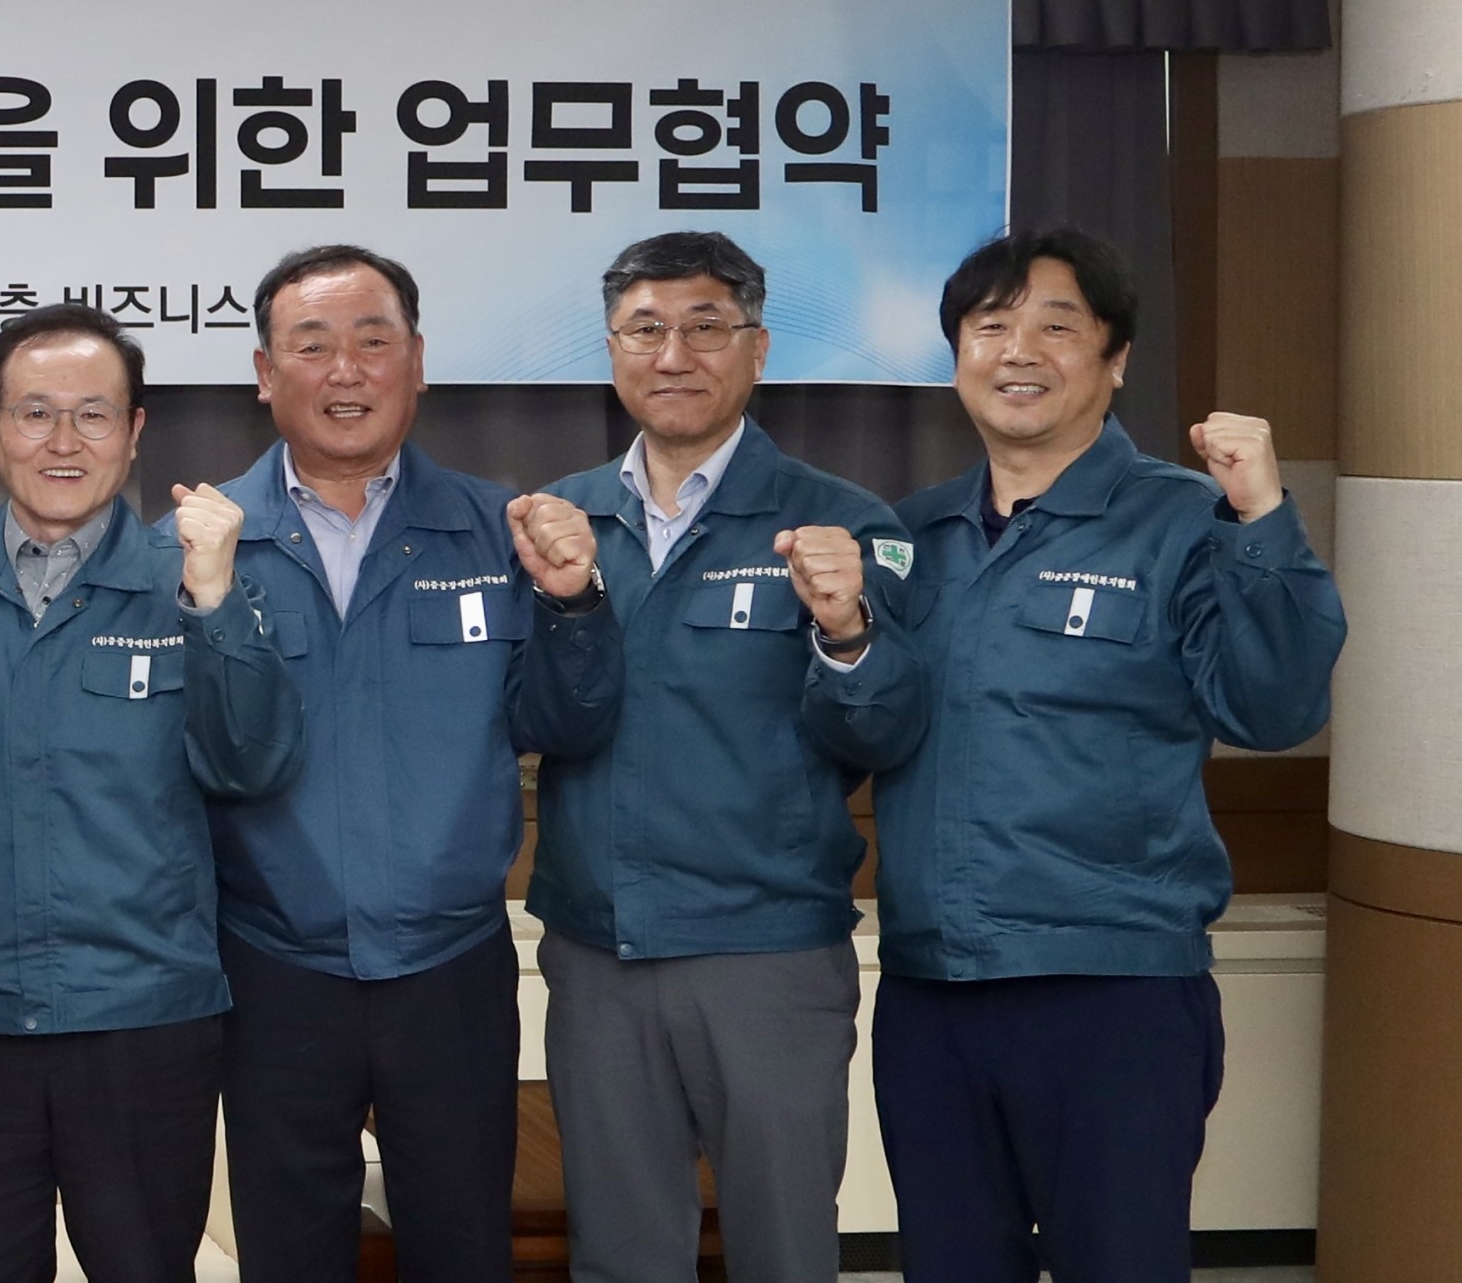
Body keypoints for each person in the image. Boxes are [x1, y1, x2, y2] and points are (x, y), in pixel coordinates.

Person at [867, 228, 1342, 1283]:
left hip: (1112, 989)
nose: (1018, 350)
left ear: (1116, 357)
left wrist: (1263, 515)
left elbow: (1272, 707)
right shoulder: (909, 536)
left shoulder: (1188, 518)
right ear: (957, 356)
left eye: (1057, 326)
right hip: (933, 988)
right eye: (990, 325)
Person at [204, 245, 621, 1283]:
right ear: (263, 372)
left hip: (450, 968)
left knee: (463, 1247)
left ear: (419, 361)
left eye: (372, 340)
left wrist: (574, 604)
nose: (345, 370)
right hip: (271, 968)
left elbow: (567, 725)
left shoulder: (498, 529)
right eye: (312, 345)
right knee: (287, 1253)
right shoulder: (202, 543)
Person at [527, 233, 928, 1283]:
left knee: (783, 1248)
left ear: (758, 347)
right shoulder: (558, 518)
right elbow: (535, 720)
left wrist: (846, 630)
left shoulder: (839, 521)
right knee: (618, 1253)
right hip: (600, 951)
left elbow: (883, 736)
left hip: (767, 954)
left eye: (705, 328)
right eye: (645, 330)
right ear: (611, 350)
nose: (673, 355)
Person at [0, 303, 299, 1283]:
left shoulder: (195, 580)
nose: (62, 441)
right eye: (35, 412)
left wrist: (215, 600)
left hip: (146, 1021)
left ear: (133, 433)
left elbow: (251, 763)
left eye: (92, 415)